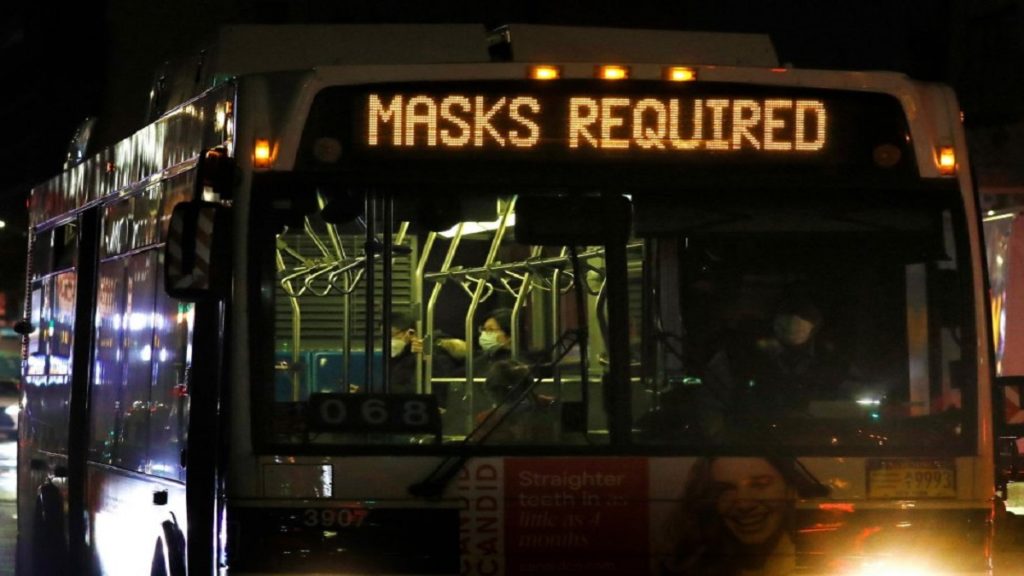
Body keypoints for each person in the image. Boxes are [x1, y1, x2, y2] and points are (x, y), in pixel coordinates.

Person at [698, 294, 859, 440]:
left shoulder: (837, 363)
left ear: (817, 323)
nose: (794, 319)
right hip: (749, 450)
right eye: (787, 311)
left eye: (804, 314)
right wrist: (726, 446)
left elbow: (858, 409)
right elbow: (708, 407)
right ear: (772, 318)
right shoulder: (737, 357)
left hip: (821, 452)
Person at [656, 456, 819, 575]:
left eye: (759, 485)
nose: (743, 504)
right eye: (725, 489)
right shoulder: (688, 566)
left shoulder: (823, 557)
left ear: (791, 490)